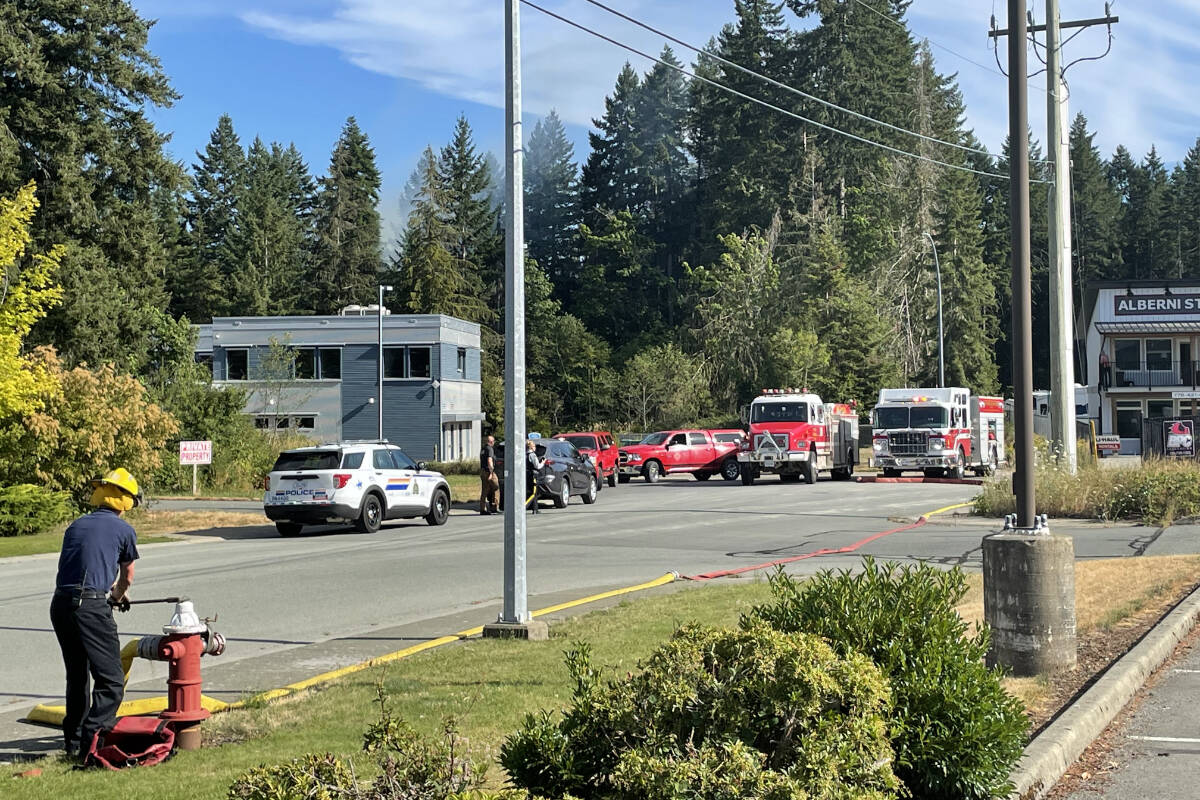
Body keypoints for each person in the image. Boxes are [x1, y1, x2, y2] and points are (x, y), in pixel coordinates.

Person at [49, 468, 141, 757]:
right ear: (125, 501)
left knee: (77, 676)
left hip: (61, 604)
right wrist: (115, 596)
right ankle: (94, 741)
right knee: (111, 679)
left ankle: (74, 743)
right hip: (89, 606)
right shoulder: (124, 530)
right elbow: (127, 576)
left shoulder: (76, 525)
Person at [479, 435, 498, 514]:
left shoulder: (483, 449)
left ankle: (482, 509)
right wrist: (491, 472)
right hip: (488, 471)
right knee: (496, 488)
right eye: (493, 441)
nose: (493, 443)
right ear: (491, 442)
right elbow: (489, 460)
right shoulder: (490, 449)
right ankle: (495, 507)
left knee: (485, 490)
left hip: (482, 471)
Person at [525, 440, 545, 514]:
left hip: (527, 474)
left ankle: (535, 509)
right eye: (534, 446)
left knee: (535, 492)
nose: (535, 448)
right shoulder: (532, 455)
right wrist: (542, 463)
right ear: (531, 447)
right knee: (533, 493)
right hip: (532, 475)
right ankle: (524, 506)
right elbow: (537, 466)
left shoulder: (525, 454)